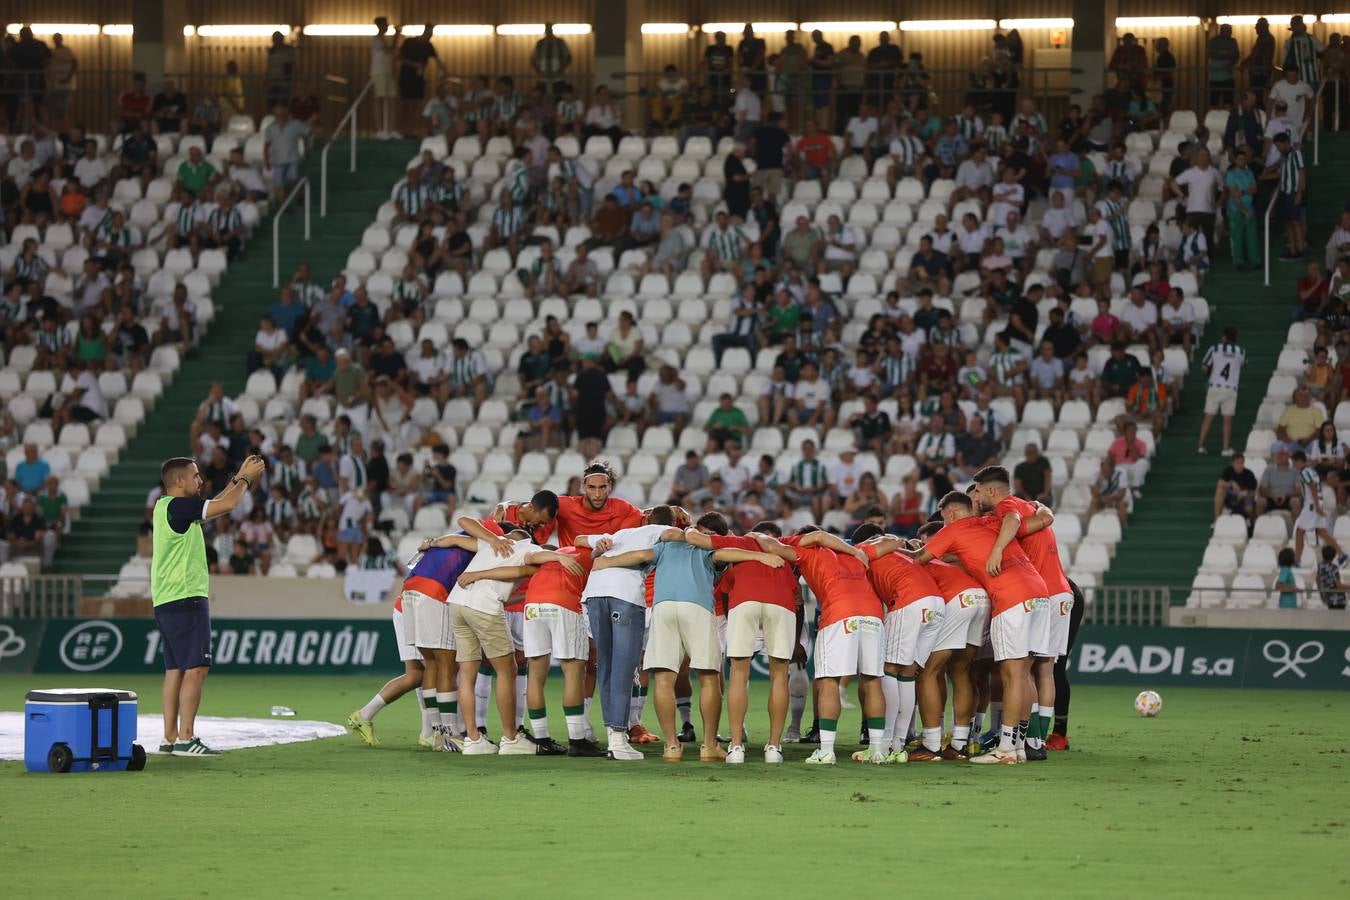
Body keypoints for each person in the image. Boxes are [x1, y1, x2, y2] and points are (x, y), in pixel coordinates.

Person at [908, 490, 1048, 765]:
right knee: (1020, 674)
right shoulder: (992, 522)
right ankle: (1015, 746)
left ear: (949, 514)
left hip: (1010, 598)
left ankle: (1000, 748)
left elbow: (919, 559)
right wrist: (1039, 506)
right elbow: (1023, 518)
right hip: (1038, 593)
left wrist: (901, 548)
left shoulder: (953, 529)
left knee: (1007, 675)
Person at [152, 454, 266, 756]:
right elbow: (226, 505)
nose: (199, 480)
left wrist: (238, 477)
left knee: (174, 669)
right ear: (179, 481)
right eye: (195, 475)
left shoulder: (166, 508)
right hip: (186, 597)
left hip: (166, 598)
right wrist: (245, 478)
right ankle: (187, 737)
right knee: (196, 667)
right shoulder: (179, 507)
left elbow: (218, 500)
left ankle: (170, 738)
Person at [443, 519, 581, 756]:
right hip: (483, 606)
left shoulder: (492, 545)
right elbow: (522, 567)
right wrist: (559, 556)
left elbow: (463, 523)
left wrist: (479, 569)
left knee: (467, 673)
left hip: (457, 602)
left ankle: (473, 739)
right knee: (507, 670)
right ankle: (510, 737)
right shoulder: (528, 548)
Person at [754, 526, 887, 766]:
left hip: (839, 613)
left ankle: (826, 750)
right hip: (873, 614)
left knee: (828, 681)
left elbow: (772, 546)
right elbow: (892, 542)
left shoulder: (807, 552)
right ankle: (877, 749)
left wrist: (756, 536)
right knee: (873, 679)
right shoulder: (856, 551)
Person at [975, 466, 1068, 760]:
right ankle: (1035, 741)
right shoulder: (1034, 509)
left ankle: (1018, 741)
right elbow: (1039, 518)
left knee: (1024, 669)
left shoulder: (1008, 507)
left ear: (991, 491)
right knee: (1045, 669)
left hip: (1041, 593)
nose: (975, 496)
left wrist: (997, 550)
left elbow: (1012, 520)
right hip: (1060, 592)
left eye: (977, 490)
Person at [1292, 451, 1346, 566]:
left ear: (1299, 461)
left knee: (1299, 531)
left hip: (1311, 505)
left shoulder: (1304, 472)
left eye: (1294, 462)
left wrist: (1316, 506)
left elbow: (1312, 487)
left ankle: (1297, 560)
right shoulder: (1312, 471)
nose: (1293, 465)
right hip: (1317, 503)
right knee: (1322, 532)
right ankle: (1342, 554)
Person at [1198, 327, 1245, 456]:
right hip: (1230, 389)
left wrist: (1210, 373)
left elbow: (1203, 366)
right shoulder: (1241, 351)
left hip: (1214, 386)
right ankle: (1225, 448)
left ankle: (1200, 446)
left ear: (1224, 337)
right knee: (1227, 420)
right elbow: (1241, 365)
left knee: (1208, 417)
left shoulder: (1214, 349)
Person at [1214, 453, 1259, 526]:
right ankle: (1217, 520)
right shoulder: (1228, 470)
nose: (1240, 465)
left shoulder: (1249, 474)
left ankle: (1249, 520)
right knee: (1220, 490)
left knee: (1249, 508)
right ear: (1232, 464)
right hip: (1231, 496)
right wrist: (1231, 483)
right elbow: (1220, 483)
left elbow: (1252, 493)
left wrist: (1241, 496)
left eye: (1242, 462)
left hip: (1245, 497)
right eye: (1237, 462)